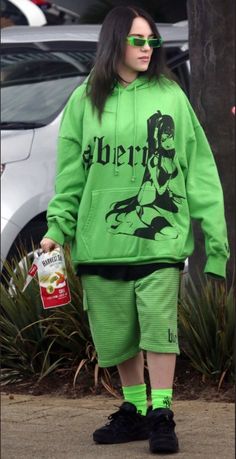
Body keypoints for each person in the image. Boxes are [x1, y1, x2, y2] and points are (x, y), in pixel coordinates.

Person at [40, 5, 229, 455]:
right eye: (137, 41)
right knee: (116, 332)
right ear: (114, 43)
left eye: (152, 41)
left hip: (158, 238)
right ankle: (135, 410)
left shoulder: (171, 96)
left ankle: (162, 412)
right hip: (100, 243)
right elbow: (70, 178)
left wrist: (216, 243)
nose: (147, 49)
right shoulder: (84, 100)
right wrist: (56, 230)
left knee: (158, 326)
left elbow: (199, 169)